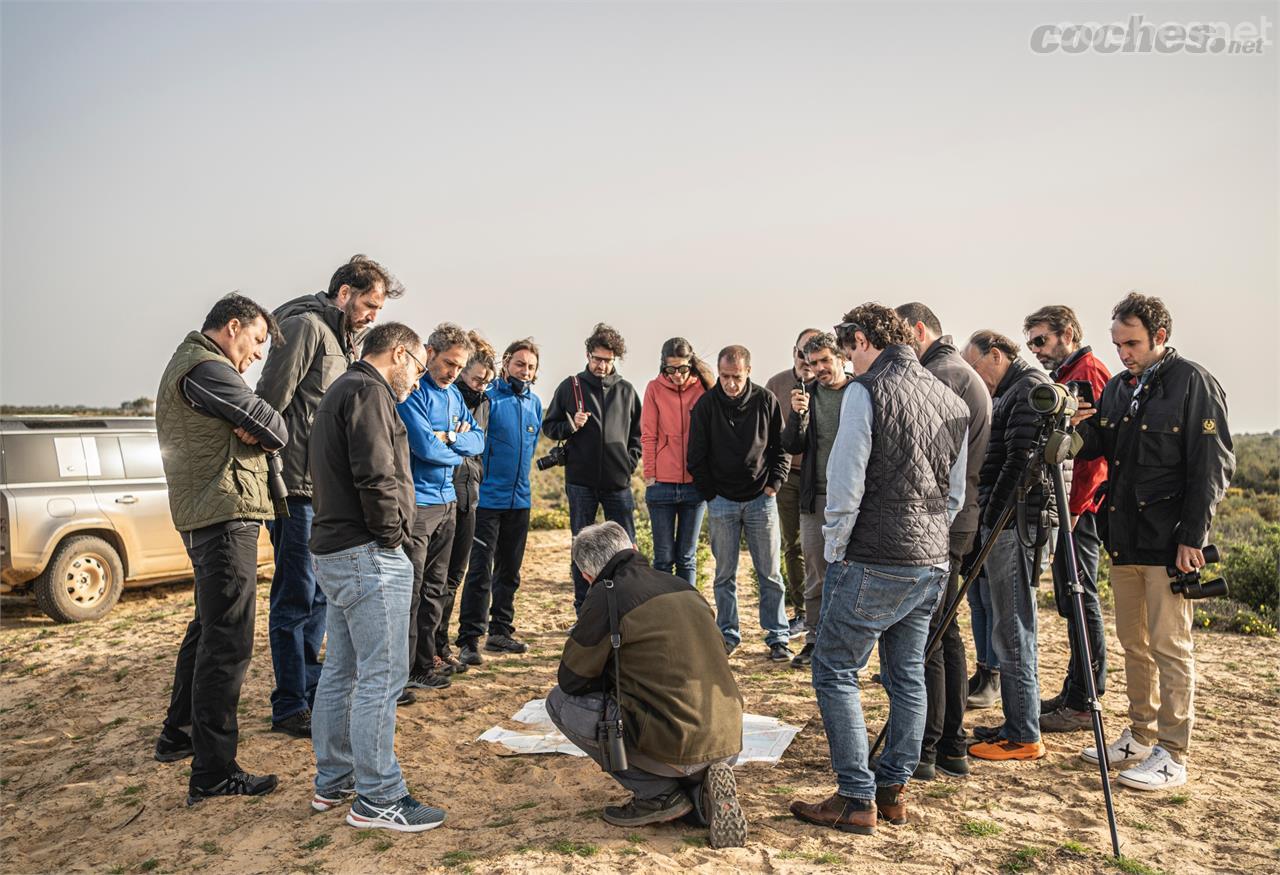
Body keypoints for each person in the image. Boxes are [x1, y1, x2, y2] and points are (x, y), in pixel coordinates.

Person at [789, 304, 967, 835]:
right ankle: (891, 790)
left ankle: (855, 796)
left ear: (862, 341)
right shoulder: (950, 396)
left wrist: (838, 546)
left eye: (848, 351)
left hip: (873, 554)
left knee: (835, 669)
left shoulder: (866, 391)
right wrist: (931, 536)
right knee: (906, 673)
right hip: (931, 558)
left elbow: (846, 479)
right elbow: (954, 492)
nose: (848, 362)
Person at [1071, 292, 1234, 790]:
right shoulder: (1120, 387)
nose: (1123, 353)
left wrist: (1192, 537)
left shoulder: (1193, 383)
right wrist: (1079, 425)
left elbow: (1212, 465)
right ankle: (1140, 734)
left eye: (1133, 343)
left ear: (1160, 337)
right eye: (1118, 344)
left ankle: (1173, 752)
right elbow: (1104, 446)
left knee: (1170, 645)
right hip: (1125, 538)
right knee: (1133, 643)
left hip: (1170, 543)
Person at [307, 321, 447, 832]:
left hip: (334, 550)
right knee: (381, 677)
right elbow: (376, 473)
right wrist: (393, 538)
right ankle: (379, 796)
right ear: (400, 354)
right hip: (367, 554)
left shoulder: (339, 390)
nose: (417, 376)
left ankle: (334, 780)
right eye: (418, 364)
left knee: (342, 670)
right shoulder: (369, 390)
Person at [256, 253, 400, 739]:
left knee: (320, 596)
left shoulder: (345, 340)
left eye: (378, 309)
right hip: (294, 487)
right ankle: (289, 703)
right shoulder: (304, 328)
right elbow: (268, 405)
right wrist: (275, 473)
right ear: (344, 293)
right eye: (369, 304)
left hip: (325, 491)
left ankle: (313, 687)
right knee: (295, 597)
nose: (372, 315)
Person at [153, 293, 288, 805]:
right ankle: (213, 771)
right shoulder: (207, 369)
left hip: (211, 512)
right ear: (232, 327)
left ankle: (178, 734)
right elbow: (275, 425)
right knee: (228, 640)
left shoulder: (193, 365)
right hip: (223, 513)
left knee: (207, 627)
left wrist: (257, 427)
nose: (256, 356)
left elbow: (262, 424)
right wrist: (261, 429)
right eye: (255, 341)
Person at [546, 522, 747, 848]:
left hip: (673, 742)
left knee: (559, 703)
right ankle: (700, 794)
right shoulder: (681, 585)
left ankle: (659, 794)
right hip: (728, 737)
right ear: (634, 551)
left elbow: (571, 678)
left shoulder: (606, 595)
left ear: (586, 575)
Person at [894, 302, 991, 780]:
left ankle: (925, 749)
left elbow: (930, 461)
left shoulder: (942, 376)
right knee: (945, 632)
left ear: (916, 330)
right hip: (957, 517)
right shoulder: (956, 371)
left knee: (927, 637)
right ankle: (950, 743)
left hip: (941, 520)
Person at [962, 330, 1062, 763]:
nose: (973, 376)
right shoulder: (1015, 389)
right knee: (1009, 625)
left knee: (1014, 629)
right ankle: (1016, 722)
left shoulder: (1027, 390)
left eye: (976, 366)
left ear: (997, 356)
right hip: (1012, 522)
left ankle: (1023, 734)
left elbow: (1018, 463)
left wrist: (988, 517)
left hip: (1016, 525)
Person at [1022, 305, 1112, 734]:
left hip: (1082, 509)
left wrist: (1075, 509)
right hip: (1069, 505)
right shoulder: (1067, 375)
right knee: (1070, 599)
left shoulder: (1089, 372)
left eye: (1041, 340)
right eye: (1030, 343)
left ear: (1069, 334)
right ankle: (1076, 689)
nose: (1036, 350)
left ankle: (1084, 700)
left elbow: (1094, 454)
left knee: (1081, 598)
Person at [688, 345, 792, 661]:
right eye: (724, 377)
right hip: (721, 502)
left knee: (770, 573)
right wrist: (710, 493)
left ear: (748, 371)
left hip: (761, 499)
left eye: (736, 377)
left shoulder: (765, 400)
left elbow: (781, 447)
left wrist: (774, 484)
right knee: (724, 575)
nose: (730, 384)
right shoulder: (706, 405)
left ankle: (777, 637)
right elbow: (696, 456)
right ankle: (728, 635)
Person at [397, 323, 484, 691]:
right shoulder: (413, 394)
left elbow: (478, 440)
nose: (452, 373)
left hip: (449, 503)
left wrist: (448, 438)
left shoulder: (454, 397)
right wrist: (452, 449)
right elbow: (423, 448)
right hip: (418, 506)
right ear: (430, 353)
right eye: (448, 363)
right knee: (412, 592)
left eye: (458, 367)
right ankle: (402, 672)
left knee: (436, 589)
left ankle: (423, 664)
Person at [455, 339, 544, 663]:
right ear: (506, 363)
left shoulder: (535, 404)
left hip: (520, 501)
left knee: (510, 571)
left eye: (531, 366)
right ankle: (468, 640)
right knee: (479, 571)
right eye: (520, 364)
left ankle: (500, 632)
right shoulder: (489, 399)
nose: (525, 370)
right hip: (488, 500)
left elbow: (531, 448)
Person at [544, 323, 643, 613]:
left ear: (615, 360)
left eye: (607, 360)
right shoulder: (570, 386)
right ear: (587, 355)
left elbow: (638, 434)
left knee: (626, 549)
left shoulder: (626, 391)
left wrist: (629, 463)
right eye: (597, 359)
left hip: (618, 483)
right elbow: (549, 427)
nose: (601, 365)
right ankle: (584, 611)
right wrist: (570, 425)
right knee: (582, 549)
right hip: (580, 482)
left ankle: (626, 609)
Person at [779, 332, 851, 668]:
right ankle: (813, 640)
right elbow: (791, 444)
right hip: (816, 496)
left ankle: (848, 645)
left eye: (825, 361)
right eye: (813, 363)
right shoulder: (806, 395)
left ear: (841, 358)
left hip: (853, 500)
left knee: (850, 573)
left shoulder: (860, 392)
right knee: (815, 573)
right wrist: (797, 416)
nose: (820, 368)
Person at [439, 332, 496, 673]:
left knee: (453, 579)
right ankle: (428, 646)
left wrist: (460, 438)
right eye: (476, 378)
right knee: (436, 578)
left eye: (487, 381)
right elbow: (443, 444)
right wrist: (458, 437)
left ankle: (442, 644)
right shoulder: (447, 395)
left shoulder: (484, 402)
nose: (481, 385)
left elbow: (476, 443)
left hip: (469, 492)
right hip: (442, 493)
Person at [640, 337, 714, 586]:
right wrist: (649, 475)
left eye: (683, 368)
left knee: (686, 557)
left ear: (690, 364)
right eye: (671, 369)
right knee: (663, 558)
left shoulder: (704, 388)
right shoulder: (653, 389)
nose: (678, 375)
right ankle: (663, 615)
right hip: (661, 484)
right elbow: (648, 434)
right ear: (663, 365)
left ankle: (687, 615)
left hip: (695, 485)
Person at [766, 329, 821, 633]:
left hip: (821, 478)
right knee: (793, 545)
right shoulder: (775, 384)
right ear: (794, 352)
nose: (806, 360)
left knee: (821, 547)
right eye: (802, 353)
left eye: (812, 354)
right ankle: (801, 610)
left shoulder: (830, 385)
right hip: (787, 476)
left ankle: (820, 611)